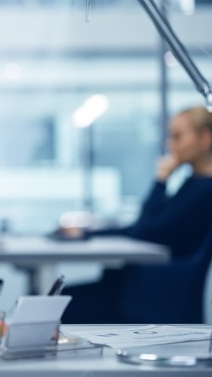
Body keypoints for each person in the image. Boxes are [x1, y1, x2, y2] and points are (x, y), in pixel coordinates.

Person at [61, 105, 212, 323]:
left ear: (205, 138)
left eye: (177, 136)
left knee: (58, 303)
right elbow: (142, 227)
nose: (170, 144)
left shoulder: (205, 190)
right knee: (58, 299)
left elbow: (145, 230)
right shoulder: (193, 183)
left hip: (156, 290)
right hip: (146, 284)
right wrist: (88, 234)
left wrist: (161, 180)